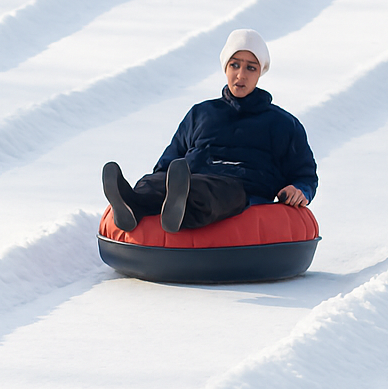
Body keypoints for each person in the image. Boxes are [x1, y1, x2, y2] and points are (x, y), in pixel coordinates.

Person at [103, 28, 317, 234]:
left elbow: (305, 175)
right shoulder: (201, 113)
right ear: (226, 68)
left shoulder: (282, 123)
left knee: (207, 192)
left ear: (260, 72)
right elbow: (170, 160)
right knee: (154, 182)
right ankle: (132, 205)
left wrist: (300, 190)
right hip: (191, 177)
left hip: (239, 188)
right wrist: (155, 181)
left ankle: (180, 211)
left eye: (250, 68)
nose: (241, 75)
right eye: (235, 65)